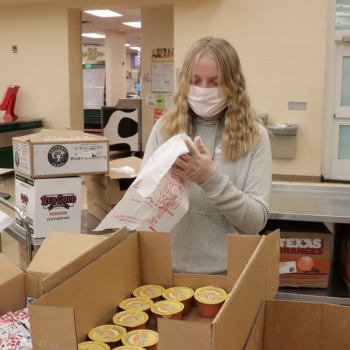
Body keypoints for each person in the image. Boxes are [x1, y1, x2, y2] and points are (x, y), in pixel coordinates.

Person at [141, 36, 272, 275]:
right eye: (195, 81)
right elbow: (142, 205)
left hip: (230, 272)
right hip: (167, 268)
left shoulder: (255, 137)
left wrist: (210, 177)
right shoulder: (164, 129)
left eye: (215, 82)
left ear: (233, 84)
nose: (203, 90)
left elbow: (255, 222)